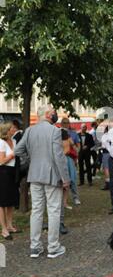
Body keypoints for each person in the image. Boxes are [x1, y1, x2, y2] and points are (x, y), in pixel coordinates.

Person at [14, 105, 69, 258]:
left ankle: (35, 247)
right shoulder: (55, 131)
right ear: (46, 114)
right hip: (52, 175)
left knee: (37, 211)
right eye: (53, 112)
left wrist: (31, 159)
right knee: (53, 210)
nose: (55, 114)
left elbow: (18, 150)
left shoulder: (29, 130)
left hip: (34, 174)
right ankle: (53, 247)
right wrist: (65, 178)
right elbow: (59, 157)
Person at [0, 122, 19, 240]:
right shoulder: (1, 143)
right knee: (2, 202)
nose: (15, 129)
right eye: (13, 128)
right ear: (7, 131)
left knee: (11, 201)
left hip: (13, 172)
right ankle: (4, 229)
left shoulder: (14, 141)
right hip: (3, 173)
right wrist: (12, 155)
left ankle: (10, 225)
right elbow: (1, 161)